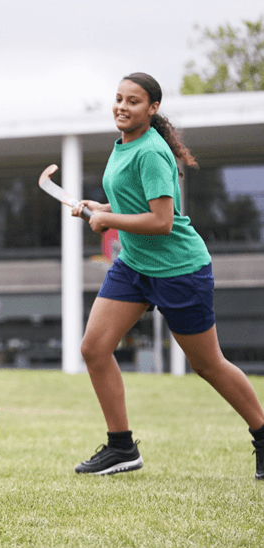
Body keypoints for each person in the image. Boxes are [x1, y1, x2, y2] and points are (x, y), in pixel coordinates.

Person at [71, 72, 264, 479]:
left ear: (153, 108)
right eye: (119, 98)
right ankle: (121, 447)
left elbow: (161, 221)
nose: (122, 107)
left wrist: (107, 220)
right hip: (134, 265)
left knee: (207, 364)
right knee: (94, 348)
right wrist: (101, 204)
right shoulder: (124, 144)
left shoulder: (152, 152)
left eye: (134, 101)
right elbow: (136, 198)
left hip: (179, 270)